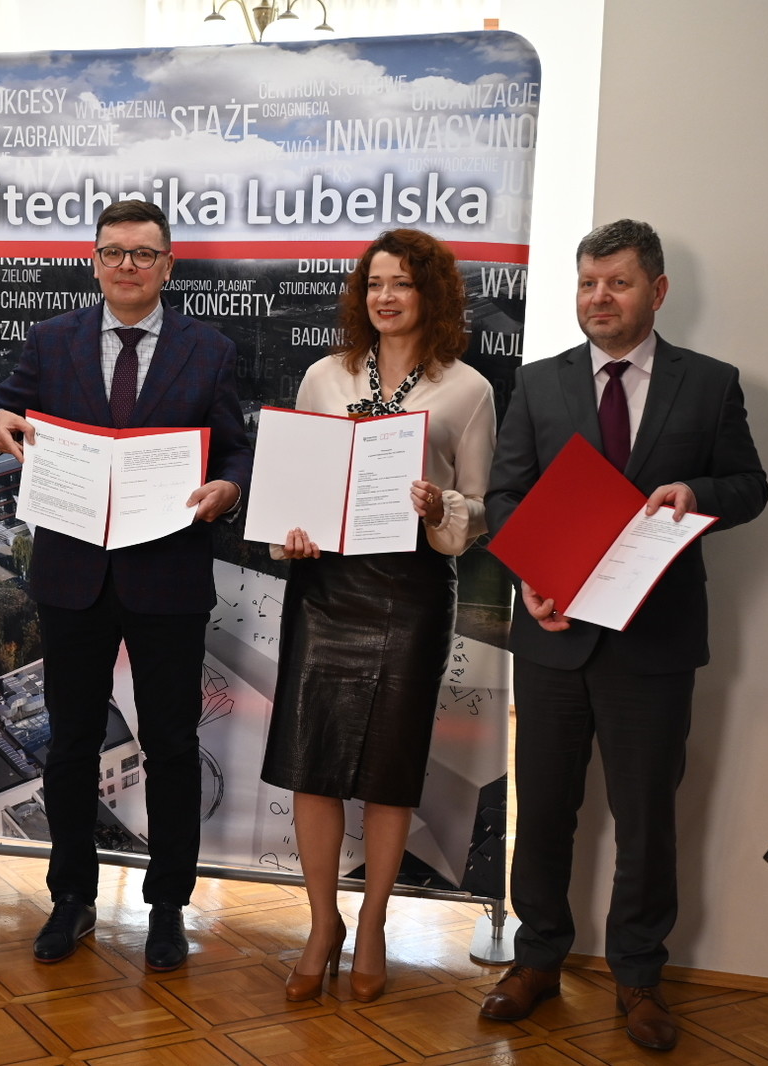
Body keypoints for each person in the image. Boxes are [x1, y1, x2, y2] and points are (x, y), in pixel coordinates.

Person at [479, 219, 767, 1051]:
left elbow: (751, 486)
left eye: (618, 282)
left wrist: (696, 493)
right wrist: (530, 576)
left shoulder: (709, 385)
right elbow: (505, 497)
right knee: (544, 810)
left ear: (657, 291)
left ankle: (639, 976)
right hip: (554, 632)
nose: (599, 297)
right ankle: (537, 958)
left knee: (646, 817)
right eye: (588, 283)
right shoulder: (538, 383)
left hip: (655, 638)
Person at [0, 199, 252, 972]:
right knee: (69, 745)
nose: (127, 265)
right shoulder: (51, 339)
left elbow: (235, 450)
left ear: (168, 264)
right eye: (113, 252)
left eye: (143, 253)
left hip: (168, 575)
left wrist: (229, 488)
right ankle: (72, 898)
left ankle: (166, 906)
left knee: (170, 746)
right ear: (94, 261)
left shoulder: (210, 350)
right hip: (74, 575)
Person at [261, 229, 496, 1003]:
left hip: (411, 591)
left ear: (431, 294)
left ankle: (372, 923)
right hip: (326, 586)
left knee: (389, 772)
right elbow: (297, 484)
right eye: (374, 284)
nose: (385, 297)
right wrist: (292, 532)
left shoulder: (468, 389)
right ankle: (322, 923)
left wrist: (440, 506)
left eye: (401, 283)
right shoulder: (323, 376)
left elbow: (479, 508)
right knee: (312, 761)